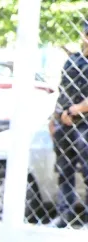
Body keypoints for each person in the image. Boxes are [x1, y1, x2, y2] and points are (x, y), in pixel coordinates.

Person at [50, 21, 88, 228]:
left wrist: (76, 110)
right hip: (66, 123)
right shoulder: (73, 61)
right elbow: (63, 90)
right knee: (64, 171)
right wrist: (56, 116)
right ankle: (65, 214)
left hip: (85, 125)